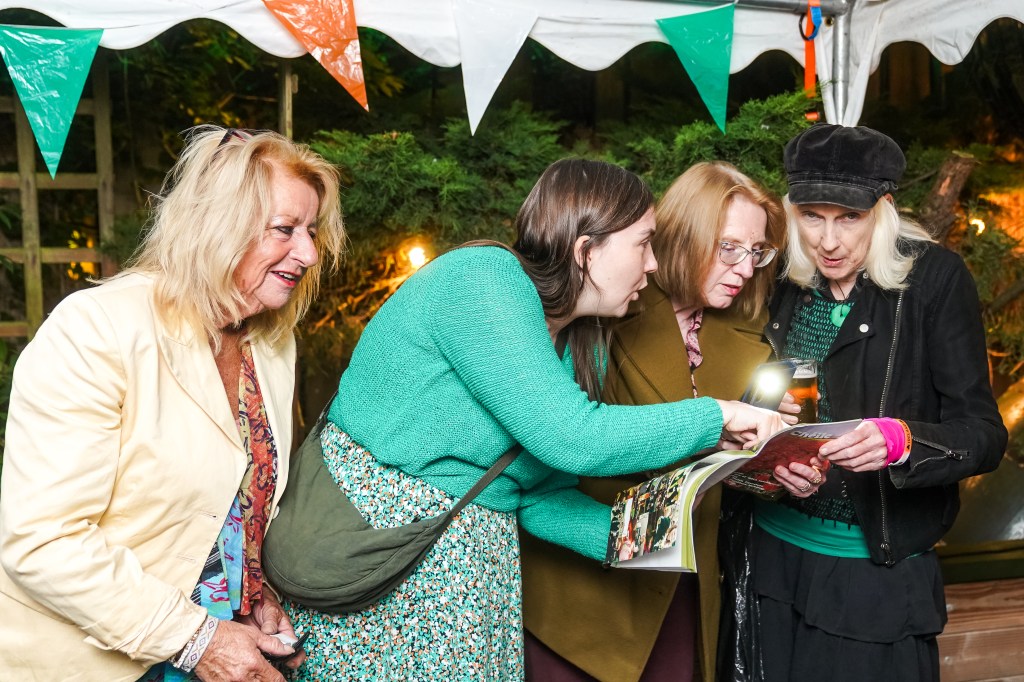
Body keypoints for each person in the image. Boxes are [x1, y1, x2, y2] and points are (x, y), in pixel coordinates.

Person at [282, 158, 785, 681]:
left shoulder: (578, 342)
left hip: (473, 574)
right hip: (377, 550)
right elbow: (573, 437)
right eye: (643, 244)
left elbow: (536, 494)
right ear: (586, 250)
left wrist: (652, 534)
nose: (654, 264)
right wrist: (716, 415)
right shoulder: (483, 279)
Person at [0, 126, 346, 681]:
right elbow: (42, 541)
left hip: (219, 644)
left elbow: (233, 504)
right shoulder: (96, 328)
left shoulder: (272, 343)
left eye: (311, 232)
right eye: (286, 229)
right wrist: (197, 639)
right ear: (218, 224)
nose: (307, 253)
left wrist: (256, 592)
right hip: (93, 661)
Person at [748, 124, 1008, 681]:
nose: (828, 241)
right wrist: (771, 453)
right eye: (811, 216)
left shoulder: (935, 280)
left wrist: (903, 441)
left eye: (849, 217)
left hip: (870, 579)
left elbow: (985, 435)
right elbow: (747, 397)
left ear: (883, 210)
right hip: (769, 559)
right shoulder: (783, 278)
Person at [521, 161, 794, 682]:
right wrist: (715, 424)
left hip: (682, 583)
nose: (745, 268)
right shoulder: (600, 306)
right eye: (729, 248)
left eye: (757, 251)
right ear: (683, 235)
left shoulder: (749, 332)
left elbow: (721, 468)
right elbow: (564, 442)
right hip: (584, 591)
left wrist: (772, 464)